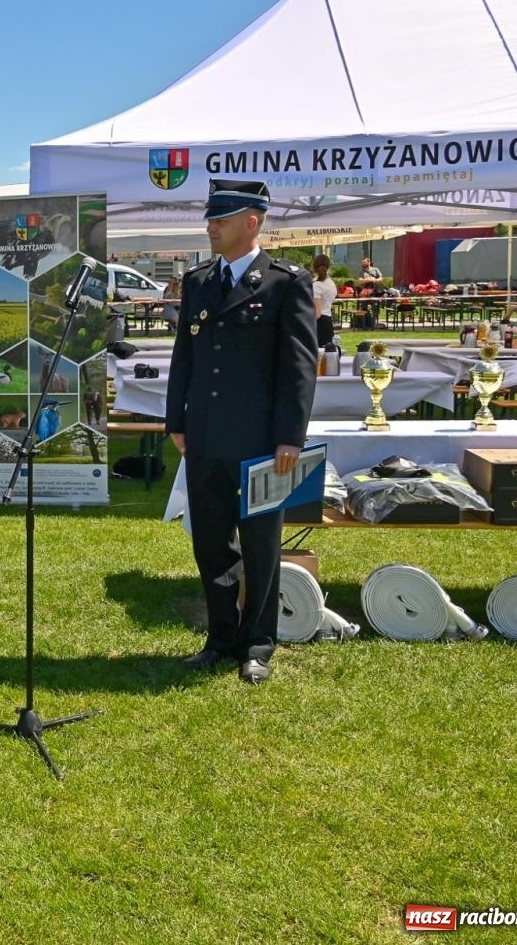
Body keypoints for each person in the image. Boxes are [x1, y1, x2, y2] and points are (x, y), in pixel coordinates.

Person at [166, 180, 316, 685]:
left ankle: (257, 643)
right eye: (210, 219)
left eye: (220, 219)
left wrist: (290, 436)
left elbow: (298, 368)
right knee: (211, 544)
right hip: (205, 437)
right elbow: (184, 357)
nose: (210, 227)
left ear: (252, 221)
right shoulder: (199, 281)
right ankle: (221, 637)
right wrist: (177, 421)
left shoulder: (284, 282)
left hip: (260, 443)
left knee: (260, 547)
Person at [311, 253, 337, 349]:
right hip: (328, 320)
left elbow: (317, 313)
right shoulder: (331, 283)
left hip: (319, 323)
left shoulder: (316, 285)